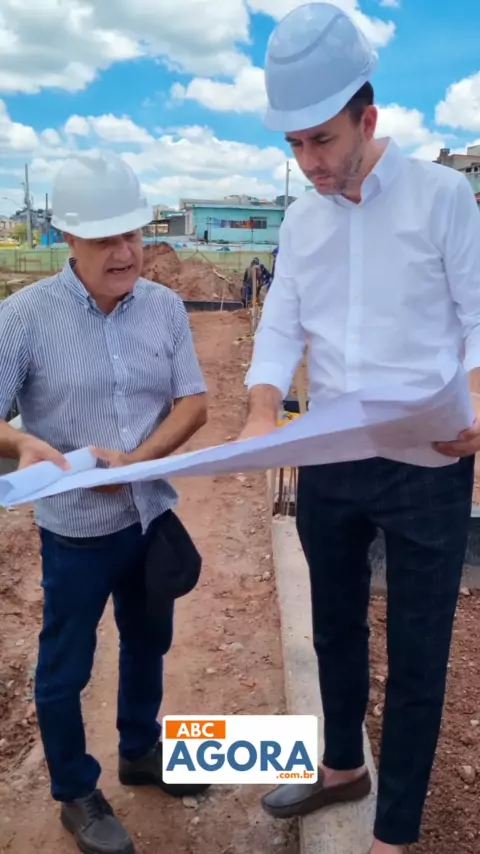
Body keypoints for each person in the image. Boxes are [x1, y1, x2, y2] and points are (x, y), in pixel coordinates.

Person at [240, 5, 480, 854]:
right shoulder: (301, 219)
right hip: (333, 454)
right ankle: (342, 765)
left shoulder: (443, 198)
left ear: (367, 120)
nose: (310, 162)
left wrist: (477, 398)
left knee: (418, 651)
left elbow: (478, 318)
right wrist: (263, 406)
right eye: (295, 145)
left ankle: (394, 834)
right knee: (333, 624)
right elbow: (281, 323)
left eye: (323, 140)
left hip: (428, 459)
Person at [0, 152, 209, 854]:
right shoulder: (24, 318)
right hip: (75, 534)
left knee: (149, 642)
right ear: (68, 237)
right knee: (67, 664)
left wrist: (139, 460)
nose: (125, 253)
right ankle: (74, 791)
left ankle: (140, 751)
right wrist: (20, 443)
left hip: (147, 518)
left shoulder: (166, 307)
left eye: (133, 234)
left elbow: (195, 403)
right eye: (104, 239)